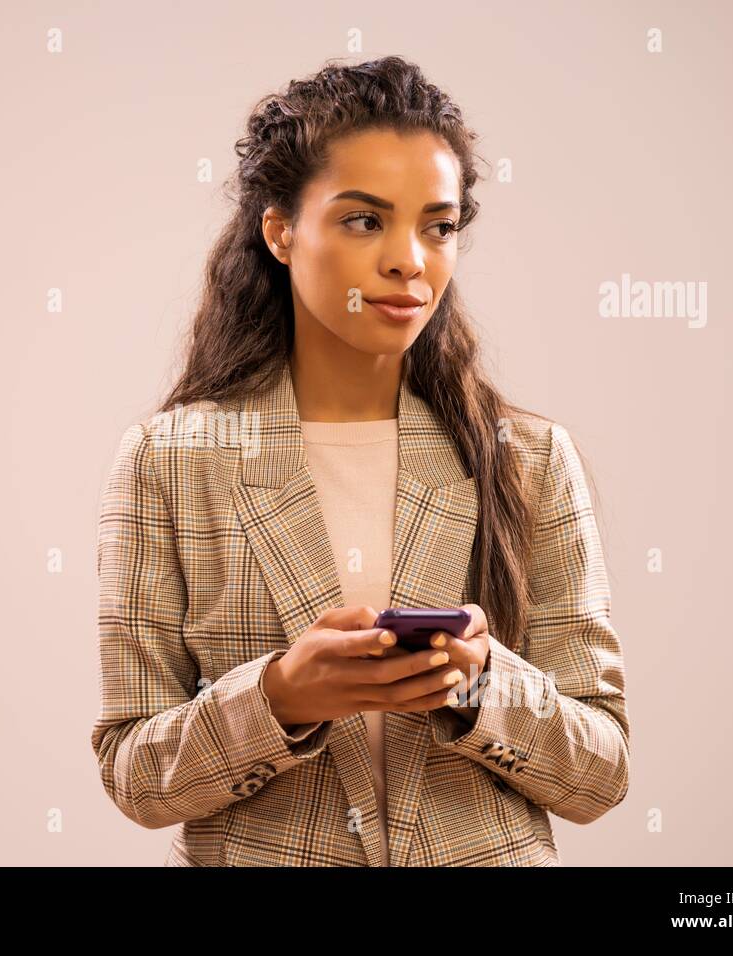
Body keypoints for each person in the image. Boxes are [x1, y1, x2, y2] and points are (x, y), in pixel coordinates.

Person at [90, 55, 629, 866]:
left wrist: (479, 685)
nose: (409, 260)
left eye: (438, 226)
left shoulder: (528, 460)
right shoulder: (172, 461)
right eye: (364, 220)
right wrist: (279, 699)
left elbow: (601, 774)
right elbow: (135, 775)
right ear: (280, 231)